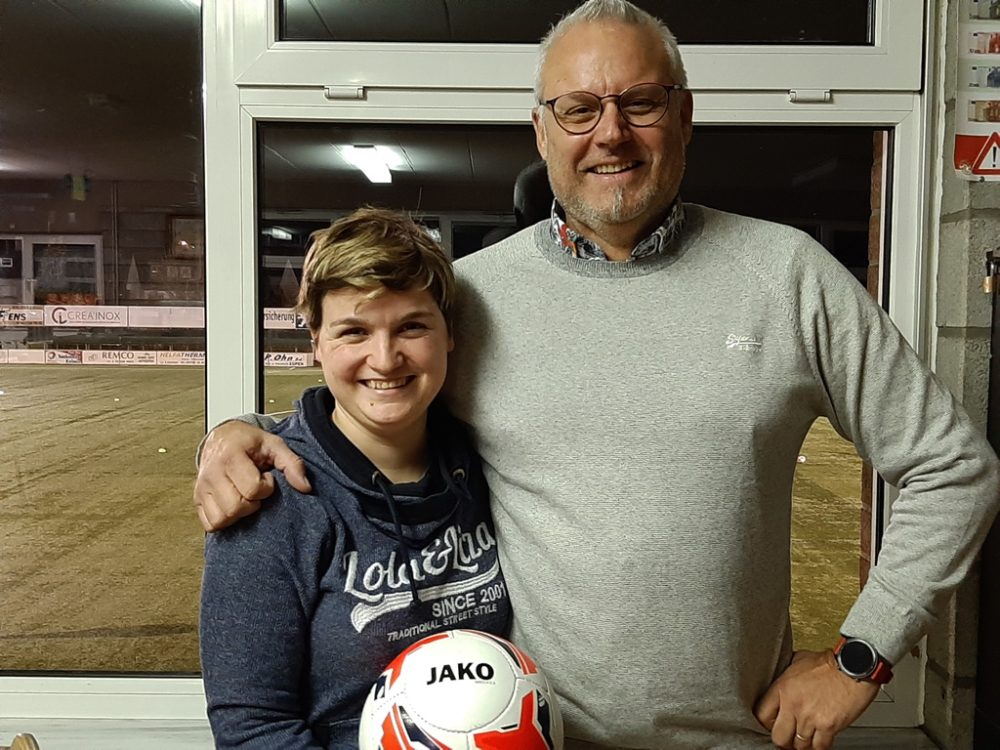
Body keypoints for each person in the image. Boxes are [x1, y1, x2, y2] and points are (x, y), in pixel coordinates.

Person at [194, 2, 1000, 749]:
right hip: (527, 738)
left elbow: (953, 468)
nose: (609, 134)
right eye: (579, 110)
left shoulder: (788, 277)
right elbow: (377, 400)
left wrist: (864, 655)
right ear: (542, 133)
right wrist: (246, 433)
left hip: (739, 737)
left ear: (684, 117)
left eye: (640, 103)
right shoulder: (474, 297)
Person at [198, 208, 512, 749]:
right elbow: (253, 727)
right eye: (354, 331)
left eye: (412, 326)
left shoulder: (488, 461)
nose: (385, 358)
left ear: (449, 335)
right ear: (316, 342)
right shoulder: (273, 499)